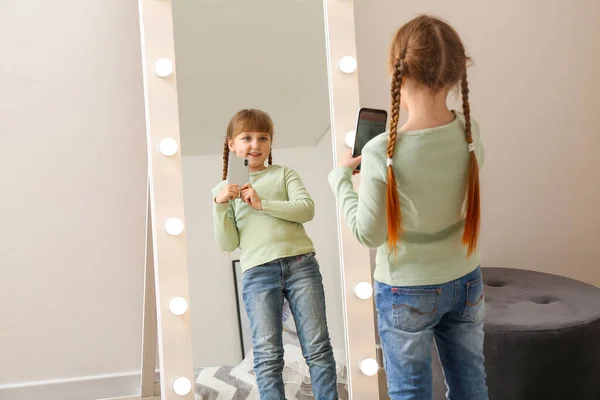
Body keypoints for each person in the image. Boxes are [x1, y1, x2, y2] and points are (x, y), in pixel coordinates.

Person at [328, 15, 488, 400]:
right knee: (471, 387)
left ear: (396, 71)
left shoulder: (380, 150)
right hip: (466, 278)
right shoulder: (469, 133)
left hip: (406, 289)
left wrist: (340, 181)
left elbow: (370, 232)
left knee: (410, 392)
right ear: (455, 74)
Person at [212, 109, 338, 399]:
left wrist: (261, 203)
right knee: (268, 356)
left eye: (263, 137)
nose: (255, 144)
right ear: (231, 144)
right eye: (247, 137)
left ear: (270, 144)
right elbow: (227, 242)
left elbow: (306, 208)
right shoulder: (223, 191)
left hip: (301, 265)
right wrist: (220, 204)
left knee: (318, 347)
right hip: (258, 273)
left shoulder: (283, 174)